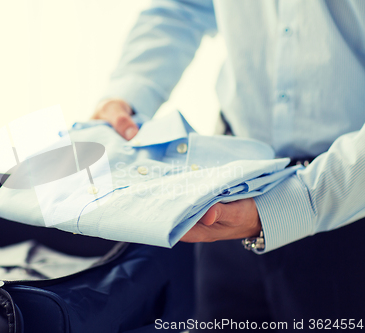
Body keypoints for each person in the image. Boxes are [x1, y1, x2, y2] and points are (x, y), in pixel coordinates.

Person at [92, 0, 365, 330]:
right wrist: (127, 95)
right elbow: (184, 6)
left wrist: (294, 203)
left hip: (349, 208)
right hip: (231, 190)